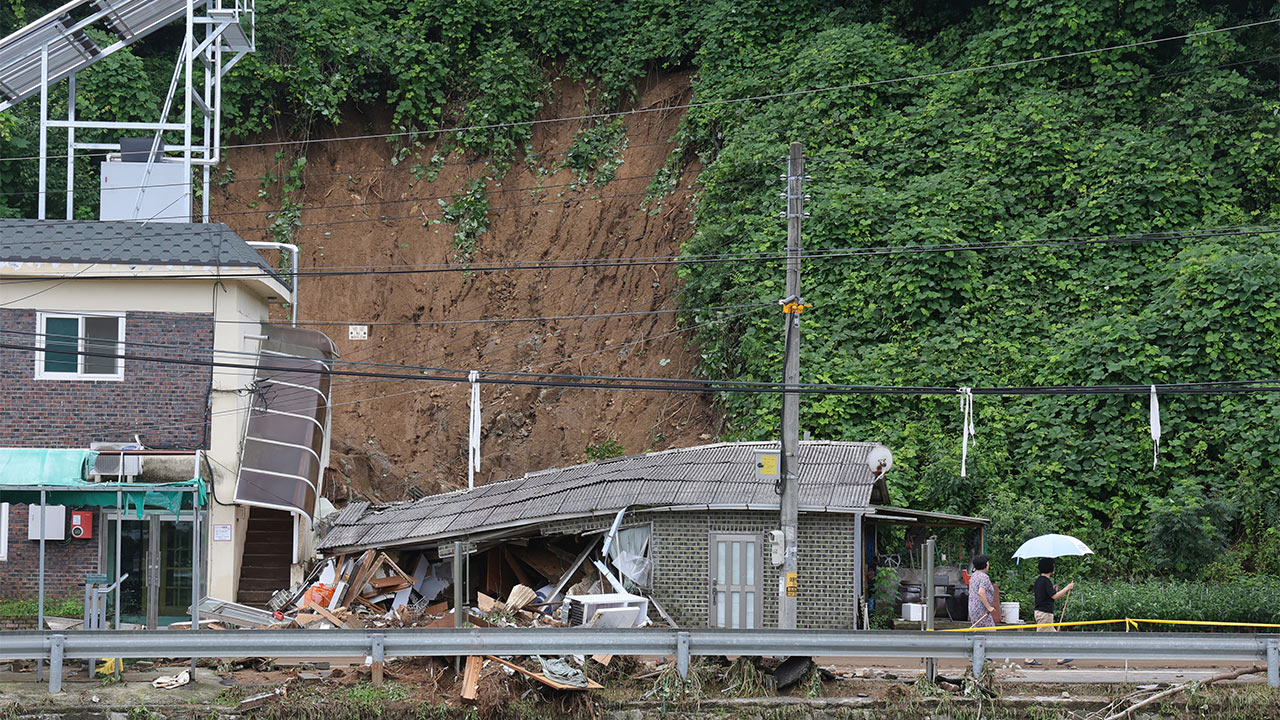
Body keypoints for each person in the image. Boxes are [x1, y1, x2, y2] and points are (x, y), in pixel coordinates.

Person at [1025, 557, 1075, 666]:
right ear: (1050, 568)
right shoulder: (1046, 581)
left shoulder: (1039, 580)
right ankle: (1030, 658)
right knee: (1049, 636)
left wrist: (1053, 589)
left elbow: (1048, 594)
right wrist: (1067, 588)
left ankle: (1059, 657)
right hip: (1045, 613)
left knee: (1051, 635)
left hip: (1040, 612)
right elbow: (1055, 596)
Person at [967, 554, 996, 628]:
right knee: (990, 632)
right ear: (986, 564)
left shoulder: (973, 576)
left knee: (978, 631)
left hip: (973, 608)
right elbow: (981, 592)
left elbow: (970, 591)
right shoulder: (984, 577)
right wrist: (988, 607)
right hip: (982, 610)